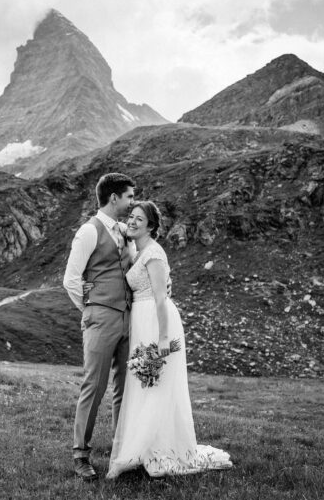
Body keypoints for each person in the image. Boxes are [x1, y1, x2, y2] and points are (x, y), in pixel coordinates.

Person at [105, 201, 232, 478]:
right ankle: (146, 448)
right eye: (132, 217)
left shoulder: (154, 254)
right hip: (142, 321)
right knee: (145, 383)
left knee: (155, 383)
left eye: (140, 219)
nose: (134, 221)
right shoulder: (139, 251)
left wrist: (163, 338)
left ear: (151, 226)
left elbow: (161, 298)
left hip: (157, 322)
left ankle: (149, 451)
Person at [62, 172, 135, 481]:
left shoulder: (125, 231)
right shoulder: (88, 232)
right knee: (95, 385)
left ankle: (121, 452)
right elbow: (70, 279)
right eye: (130, 196)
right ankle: (81, 454)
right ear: (113, 198)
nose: (133, 202)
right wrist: (91, 307)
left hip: (127, 318)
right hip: (101, 317)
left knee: (124, 388)